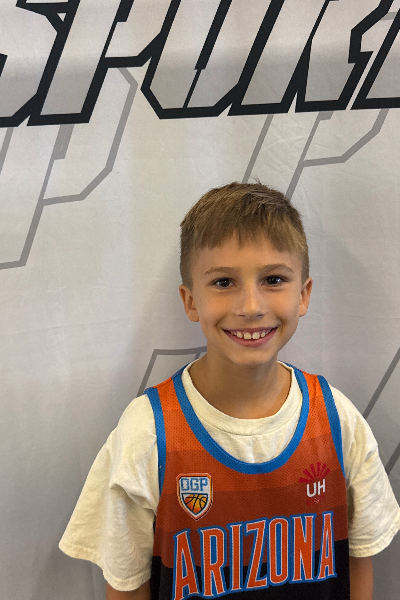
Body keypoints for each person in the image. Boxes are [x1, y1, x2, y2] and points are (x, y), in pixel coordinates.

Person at [60, 182, 400, 600]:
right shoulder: (147, 433)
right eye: (223, 282)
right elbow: (127, 586)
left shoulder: (337, 421)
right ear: (190, 301)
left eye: (273, 279)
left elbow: (359, 561)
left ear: (303, 295)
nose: (251, 306)